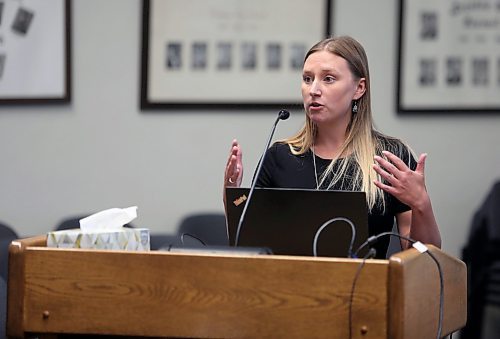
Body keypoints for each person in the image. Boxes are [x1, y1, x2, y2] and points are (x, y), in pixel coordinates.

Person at [223, 36, 441, 258]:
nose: (314, 90)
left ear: (359, 88)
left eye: (328, 79)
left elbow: (423, 257)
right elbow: (248, 245)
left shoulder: (389, 158)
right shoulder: (280, 156)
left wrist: (421, 203)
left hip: (365, 289)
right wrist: (231, 194)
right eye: (307, 79)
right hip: (291, 288)